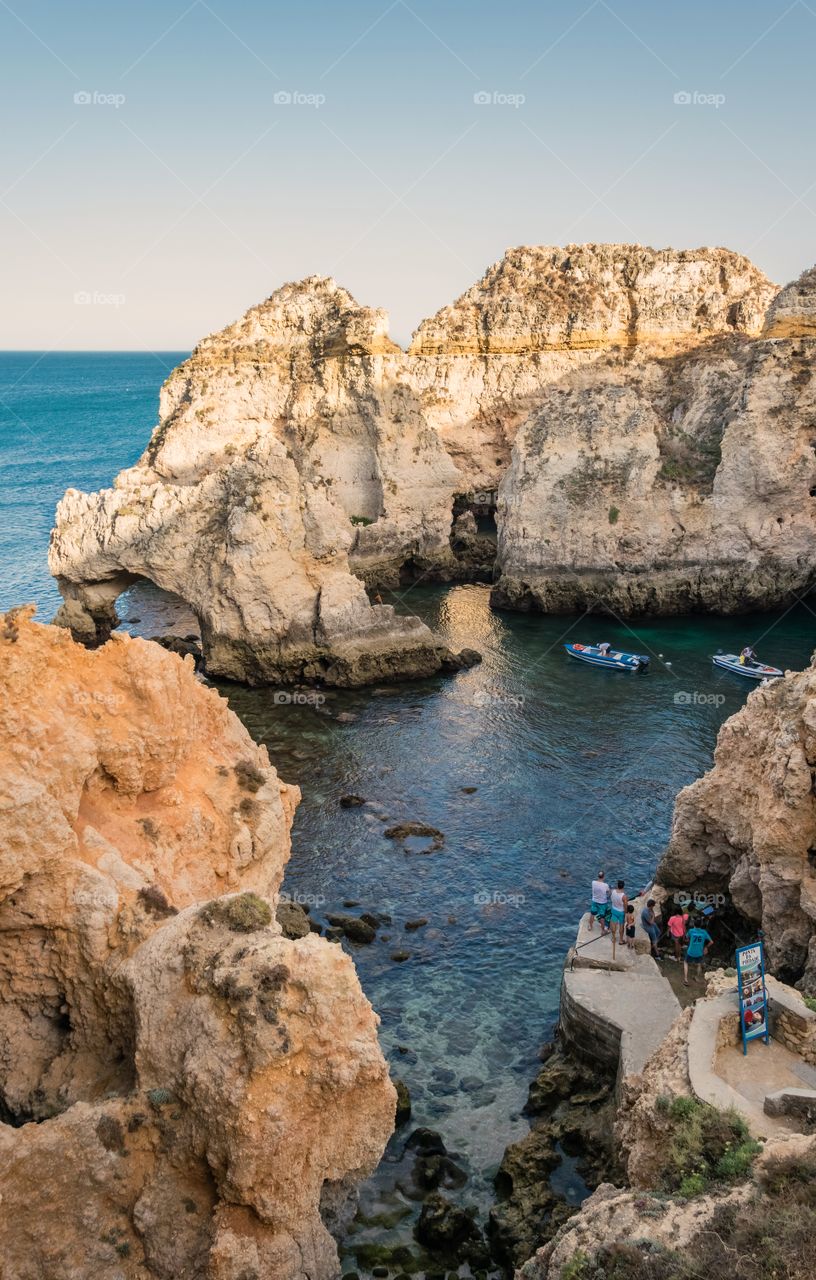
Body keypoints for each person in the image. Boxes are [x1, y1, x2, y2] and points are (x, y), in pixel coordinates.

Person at [683, 915, 713, 986]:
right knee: (699, 964)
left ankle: (686, 979)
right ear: (701, 925)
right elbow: (711, 942)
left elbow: (686, 939)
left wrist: (688, 939)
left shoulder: (691, 931)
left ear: (694, 924)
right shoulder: (704, 932)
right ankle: (697, 977)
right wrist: (706, 947)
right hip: (699, 952)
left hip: (690, 951)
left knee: (686, 962)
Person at [609, 880, 628, 945]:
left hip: (614, 910)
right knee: (621, 926)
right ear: (623, 887)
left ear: (617, 885)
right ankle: (620, 940)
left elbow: (610, 895)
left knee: (613, 924)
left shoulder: (612, 891)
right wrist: (626, 913)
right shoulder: (624, 896)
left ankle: (613, 938)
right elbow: (625, 906)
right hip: (621, 912)